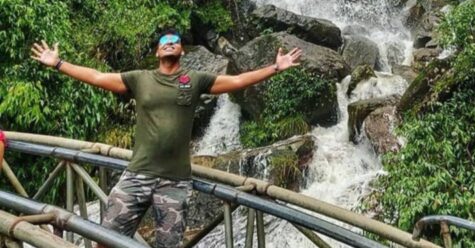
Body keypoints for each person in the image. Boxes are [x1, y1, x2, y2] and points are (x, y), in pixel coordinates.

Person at [31, 29, 302, 248]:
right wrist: (58, 64)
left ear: (181, 50)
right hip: (137, 174)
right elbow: (98, 77)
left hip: (174, 182)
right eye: (165, 42)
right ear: (158, 52)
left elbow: (237, 81)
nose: (170, 43)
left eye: (175, 41)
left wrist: (274, 68)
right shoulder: (140, 79)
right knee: (106, 237)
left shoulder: (194, 80)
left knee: (169, 245)